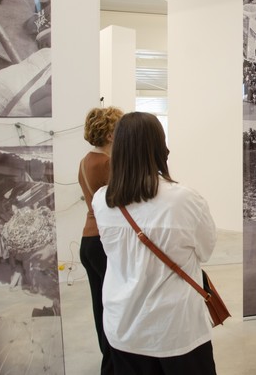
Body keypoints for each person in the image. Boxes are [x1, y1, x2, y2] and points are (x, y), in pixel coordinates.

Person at [92, 112, 217, 375]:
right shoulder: (184, 199)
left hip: (123, 329)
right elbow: (205, 251)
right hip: (178, 332)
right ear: (160, 146)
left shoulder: (102, 200)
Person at [78, 106, 124, 375]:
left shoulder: (85, 160)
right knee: (116, 304)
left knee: (100, 303)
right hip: (104, 241)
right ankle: (114, 362)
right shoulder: (107, 163)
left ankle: (107, 357)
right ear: (109, 134)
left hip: (88, 241)